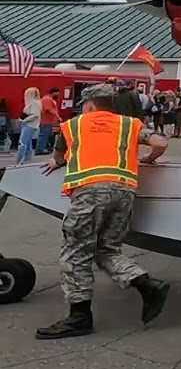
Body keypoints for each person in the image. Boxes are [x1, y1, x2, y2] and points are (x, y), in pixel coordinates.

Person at [35, 84, 171, 340]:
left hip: (90, 191)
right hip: (124, 191)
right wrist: (149, 159)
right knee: (107, 249)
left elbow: (59, 154)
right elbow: (161, 142)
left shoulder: (73, 125)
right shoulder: (130, 124)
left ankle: (79, 318)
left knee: (76, 252)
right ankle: (147, 285)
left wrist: (56, 161)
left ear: (89, 105)